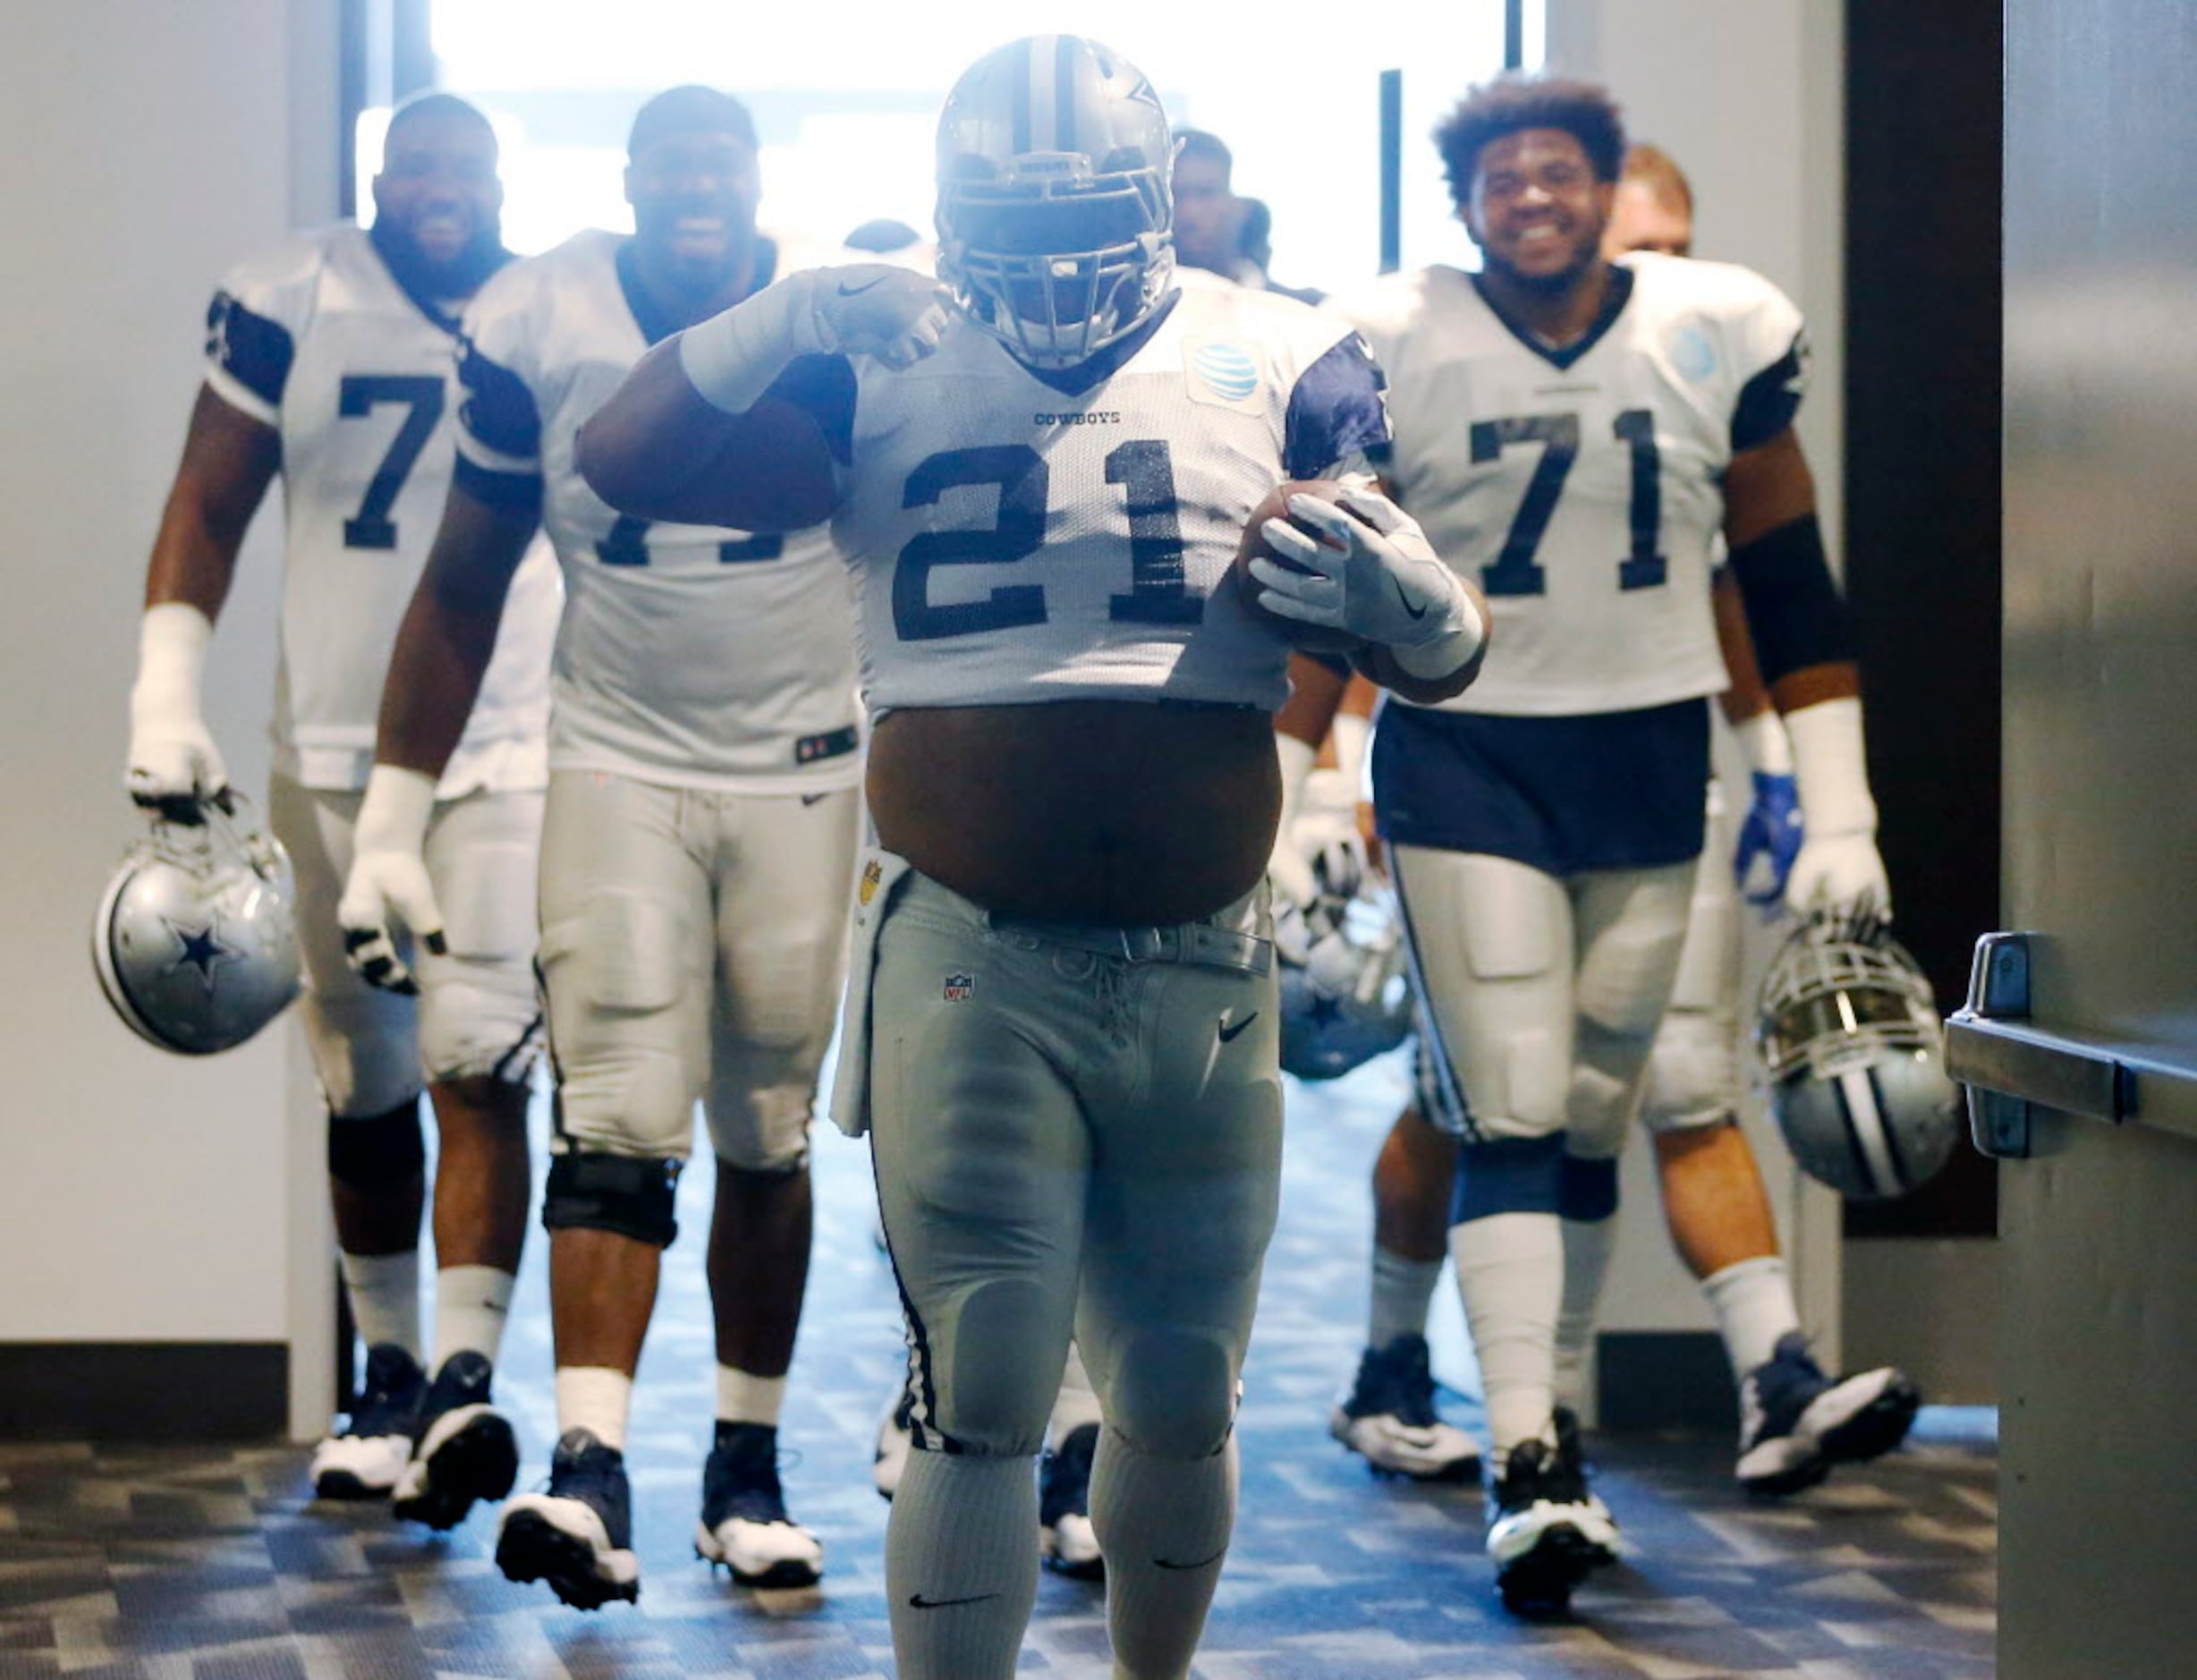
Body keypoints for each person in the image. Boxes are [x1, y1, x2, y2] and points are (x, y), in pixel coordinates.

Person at [574, 34, 1488, 1679]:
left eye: (1083, 219)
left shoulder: (1284, 353)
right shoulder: (876, 348)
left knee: (1183, 1384)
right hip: (969, 953)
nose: (1055, 261)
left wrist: (1420, 602)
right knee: (986, 1382)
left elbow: (1428, 649)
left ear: (1155, 199)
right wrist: (784, 311)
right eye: (1017, 221)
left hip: (1204, 957)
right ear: (948, 216)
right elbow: (624, 460)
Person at [1307, 74, 1903, 1616]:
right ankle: (1522, 1455)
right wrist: (1303, 782)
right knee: (1504, 1104)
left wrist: (1838, 802)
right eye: (1499, 177)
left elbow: (1789, 580)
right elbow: (1327, 576)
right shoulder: (1392, 331)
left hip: (1652, 754)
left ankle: (1550, 1422)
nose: (1530, 197)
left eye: (1556, 170)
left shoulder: (1719, 327)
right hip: (1472, 755)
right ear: (1465, 205)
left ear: (1604, 180)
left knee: (1586, 1110)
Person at [336, 85, 861, 1608]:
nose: (697, 183)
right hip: (620, 754)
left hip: (807, 772)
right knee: (617, 1111)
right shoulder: (538, 312)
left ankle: (743, 1467)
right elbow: (462, 579)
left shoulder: (834, 316)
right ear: (625, 180)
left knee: (765, 1127)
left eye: (724, 159)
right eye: (668, 161)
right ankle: (590, 1466)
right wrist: (393, 811)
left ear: (762, 179)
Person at [126, 92, 555, 1525]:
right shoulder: (289, 294)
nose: (444, 188)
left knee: (479, 1052)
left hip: (505, 737)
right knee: (358, 1073)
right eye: (419, 165)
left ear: (503, 181)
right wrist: (164, 692)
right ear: (382, 176)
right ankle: (384, 1363)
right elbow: (209, 499)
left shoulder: (548, 305)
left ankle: (467, 1375)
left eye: (467, 167)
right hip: (325, 742)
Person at [1172, 129, 1323, 303]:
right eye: (1175, 194)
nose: (1190, 212)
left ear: (1235, 202)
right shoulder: (1140, 323)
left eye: (1206, 193)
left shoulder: (1311, 314)